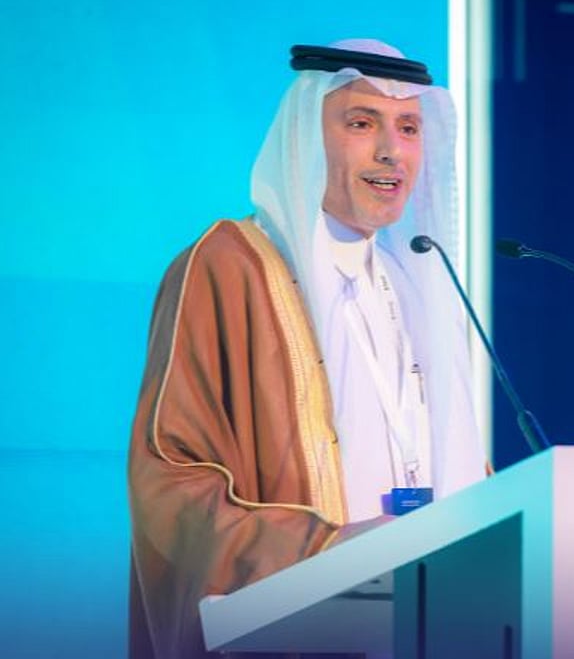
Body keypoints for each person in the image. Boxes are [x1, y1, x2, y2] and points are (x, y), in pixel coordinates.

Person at [127, 39, 487, 659]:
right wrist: (325, 550)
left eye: (408, 127)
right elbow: (172, 480)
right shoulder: (230, 268)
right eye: (361, 123)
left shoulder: (414, 284)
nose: (391, 150)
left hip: (422, 620)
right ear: (305, 138)